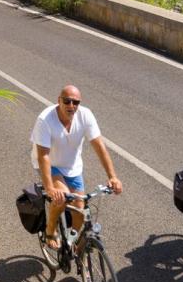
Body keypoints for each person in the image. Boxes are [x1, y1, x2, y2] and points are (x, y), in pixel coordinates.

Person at [31, 85, 123, 249]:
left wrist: (112, 176)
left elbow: (99, 146)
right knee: (62, 197)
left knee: (79, 210)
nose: (71, 106)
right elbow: (43, 155)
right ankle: (50, 231)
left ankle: (73, 243)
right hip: (50, 164)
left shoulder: (85, 115)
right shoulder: (45, 120)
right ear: (59, 100)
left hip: (72, 167)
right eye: (67, 101)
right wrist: (50, 188)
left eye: (76, 102)